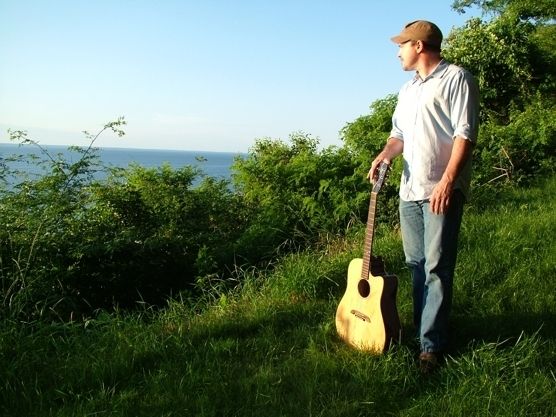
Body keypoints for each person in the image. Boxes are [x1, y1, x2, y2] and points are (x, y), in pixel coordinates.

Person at [368, 20, 480, 372]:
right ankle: (423, 333)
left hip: (440, 189)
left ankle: (431, 347)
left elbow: (465, 134)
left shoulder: (457, 78)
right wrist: (386, 154)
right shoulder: (408, 90)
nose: (398, 53)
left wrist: (448, 181)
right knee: (416, 266)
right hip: (409, 190)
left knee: (436, 268)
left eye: (402, 45)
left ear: (418, 46)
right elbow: (398, 135)